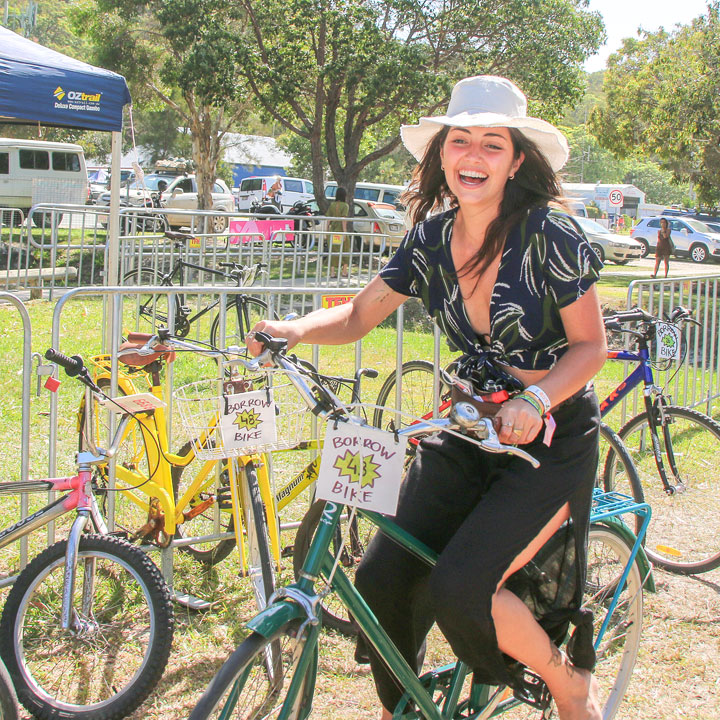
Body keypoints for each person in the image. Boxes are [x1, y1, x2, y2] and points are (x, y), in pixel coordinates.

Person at [247, 75, 606, 720]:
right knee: (382, 578)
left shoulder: (551, 237)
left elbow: (590, 349)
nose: (473, 156)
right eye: (460, 141)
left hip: (546, 440)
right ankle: (401, 707)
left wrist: (539, 400)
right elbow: (359, 315)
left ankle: (563, 681)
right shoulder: (430, 238)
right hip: (464, 430)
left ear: (516, 160)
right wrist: (294, 329)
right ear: (441, 154)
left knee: (464, 585)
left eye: (492, 144)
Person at [326, 187, 350, 278]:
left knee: (333, 250)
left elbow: (329, 218)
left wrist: (326, 230)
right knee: (345, 250)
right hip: (340, 231)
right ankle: (344, 271)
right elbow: (343, 219)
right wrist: (344, 232)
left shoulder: (332, 205)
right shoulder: (345, 206)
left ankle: (332, 272)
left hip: (333, 231)